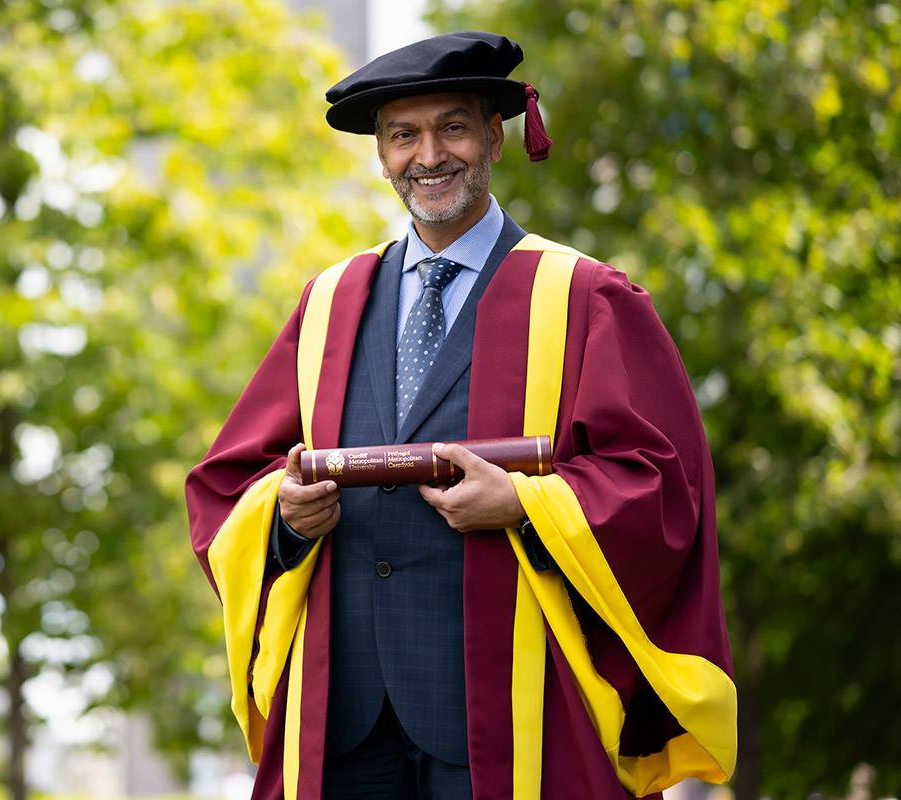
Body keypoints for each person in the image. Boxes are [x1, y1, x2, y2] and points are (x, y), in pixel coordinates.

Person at [186, 31, 737, 800]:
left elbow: (663, 486)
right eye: (403, 135)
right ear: (381, 155)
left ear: (494, 138)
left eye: (452, 126)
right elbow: (226, 482)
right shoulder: (330, 303)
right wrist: (283, 515)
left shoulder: (582, 297)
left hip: (511, 714)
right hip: (342, 720)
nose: (428, 154)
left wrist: (524, 504)